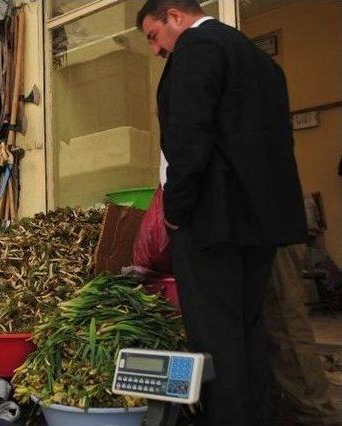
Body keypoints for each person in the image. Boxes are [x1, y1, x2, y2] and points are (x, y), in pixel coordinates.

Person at [137, 1, 307, 424]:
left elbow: (189, 138)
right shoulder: (261, 62)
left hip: (212, 221)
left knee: (215, 338)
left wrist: (175, 210)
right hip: (260, 221)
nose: (157, 50)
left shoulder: (196, 49)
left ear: (175, 16)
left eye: (153, 36)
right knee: (249, 331)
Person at [265, 245, 341, 426]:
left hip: (269, 233)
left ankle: (317, 417)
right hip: (243, 231)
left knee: (284, 323)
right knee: (266, 330)